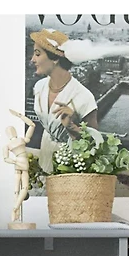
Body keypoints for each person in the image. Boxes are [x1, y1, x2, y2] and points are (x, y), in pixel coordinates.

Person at [28, 29, 99, 173]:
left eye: (37, 54)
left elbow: (96, 145)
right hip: (45, 152)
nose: (32, 59)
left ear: (55, 59)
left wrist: (72, 127)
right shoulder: (39, 87)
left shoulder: (84, 97)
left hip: (71, 161)